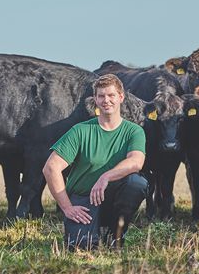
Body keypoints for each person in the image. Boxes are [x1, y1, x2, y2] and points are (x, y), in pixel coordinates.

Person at [43, 74, 148, 250]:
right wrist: (67, 208)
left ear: (121, 97)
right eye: (101, 96)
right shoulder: (81, 130)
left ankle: (116, 233)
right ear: (95, 100)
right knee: (80, 247)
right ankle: (90, 232)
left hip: (114, 198)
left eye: (111, 95)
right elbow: (50, 168)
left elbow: (136, 162)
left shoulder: (133, 131)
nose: (106, 100)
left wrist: (106, 176)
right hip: (84, 199)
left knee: (137, 183)